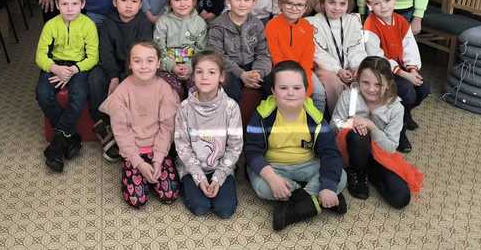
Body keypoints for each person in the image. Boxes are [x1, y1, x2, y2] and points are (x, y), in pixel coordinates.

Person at [245, 61, 347, 232]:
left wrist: (328, 185)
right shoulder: (262, 115)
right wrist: (272, 178)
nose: (290, 93)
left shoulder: (314, 117)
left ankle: (296, 204)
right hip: (274, 166)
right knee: (263, 188)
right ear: (273, 91)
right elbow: (252, 151)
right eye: (283, 88)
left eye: (297, 88)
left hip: (307, 164)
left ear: (306, 90)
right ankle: (316, 199)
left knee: (341, 176)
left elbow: (330, 152)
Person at [332, 56, 423, 208]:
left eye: (378, 84)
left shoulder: (395, 107)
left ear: (388, 84)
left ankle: (370, 172)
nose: (371, 89)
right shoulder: (350, 96)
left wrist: (371, 126)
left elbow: (390, 147)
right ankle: (357, 172)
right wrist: (350, 123)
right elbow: (334, 125)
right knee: (359, 134)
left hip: (380, 154)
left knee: (401, 198)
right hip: (351, 149)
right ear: (358, 79)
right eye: (365, 82)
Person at [99, 41, 180, 208]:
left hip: (159, 149)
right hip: (134, 151)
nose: (144, 66)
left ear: (158, 63)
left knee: (169, 194)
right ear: (130, 64)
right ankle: (137, 172)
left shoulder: (165, 89)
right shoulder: (122, 92)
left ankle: (154, 173)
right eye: (137, 61)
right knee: (137, 199)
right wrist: (138, 163)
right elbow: (122, 132)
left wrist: (158, 160)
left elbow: (167, 128)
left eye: (150, 61)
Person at [35, 0, 98, 173]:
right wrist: (55, 68)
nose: (69, 9)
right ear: (57, 5)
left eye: (74, 4)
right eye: (64, 4)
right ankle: (70, 137)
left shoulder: (88, 25)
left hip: (78, 67)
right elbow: (40, 55)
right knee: (42, 93)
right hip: (55, 64)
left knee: (78, 97)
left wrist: (73, 70)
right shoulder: (51, 25)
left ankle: (56, 146)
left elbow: (93, 57)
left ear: (82, 4)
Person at [88, 0, 153, 162]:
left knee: (133, 85)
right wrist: (113, 77)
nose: (129, 5)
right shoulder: (108, 22)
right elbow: (105, 52)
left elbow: (143, 54)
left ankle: (124, 132)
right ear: (115, 1)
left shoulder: (143, 23)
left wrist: (125, 79)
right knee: (95, 77)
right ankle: (102, 124)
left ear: (140, 3)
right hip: (111, 67)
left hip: (134, 69)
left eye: (134, 1)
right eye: (124, 0)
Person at [174, 51, 243, 219]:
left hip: (221, 167)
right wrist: (199, 178)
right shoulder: (184, 108)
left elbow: (234, 147)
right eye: (199, 72)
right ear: (193, 76)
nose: (205, 77)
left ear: (221, 77)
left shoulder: (231, 107)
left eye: (211, 72)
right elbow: (182, 146)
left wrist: (218, 178)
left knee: (225, 210)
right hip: (192, 168)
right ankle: (187, 184)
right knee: (200, 207)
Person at [363, 0, 429, 153]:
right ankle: (400, 131)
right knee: (407, 91)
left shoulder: (400, 20)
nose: (383, 6)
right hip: (381, 71)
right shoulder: (370, 25)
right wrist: (405, 75)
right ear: (369, 6)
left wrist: (412, 69)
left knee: (424, 88)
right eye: (377, 3)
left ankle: (405, 114)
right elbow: (376, 56)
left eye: (386, 1)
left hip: (402, 67)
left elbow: (409, 46)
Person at [207, 0, 272, 103]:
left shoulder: (257, 24)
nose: (242, 4)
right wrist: (241, 74)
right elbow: (217, 56)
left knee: (274, 83)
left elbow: (263, 54)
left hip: (253, 66)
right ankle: (231, 115)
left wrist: (257, 73)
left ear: (254, 1)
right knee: (230, 89)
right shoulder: (218, 26)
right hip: (228, 68)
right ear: (228, 0)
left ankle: (264, 116)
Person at [306, 0, 367, 113]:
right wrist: (338, 70)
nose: (337, 8)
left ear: (348, 5)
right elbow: (318, 54)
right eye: (332, 2)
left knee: (365, 77)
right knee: (333, 82)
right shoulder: (313, 23)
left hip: (349, 67)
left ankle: (361, 116)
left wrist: (356, 67)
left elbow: (356, 48)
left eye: (342, 4)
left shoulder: (352, 20)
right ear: (323, 3)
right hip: (326, 68)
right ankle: (339, 117)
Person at [264, 0, 325, 112]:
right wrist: (291, 80)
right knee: (286, 94)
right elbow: (276, 57)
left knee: (318, 93)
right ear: (280, 4)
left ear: (305, 8)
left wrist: (305, 82)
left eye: (299, 5)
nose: (294, 8)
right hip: (280, 70)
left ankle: (316, 122)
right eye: (289, 3)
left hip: (303, 70)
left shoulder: (307, 26)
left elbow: (307, 57)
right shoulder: (272, 26)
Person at [153, 0, 208, 92]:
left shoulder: (200, 23)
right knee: (169, 89)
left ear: (193, 1)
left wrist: (190, 66)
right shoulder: (163, 22)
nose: (182, 4)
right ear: (170, 3)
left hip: (193, 66)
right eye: (177, 0)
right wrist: (172, 66)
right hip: (167, 67)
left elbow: (201, 50)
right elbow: (158, 49)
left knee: (198, 87)